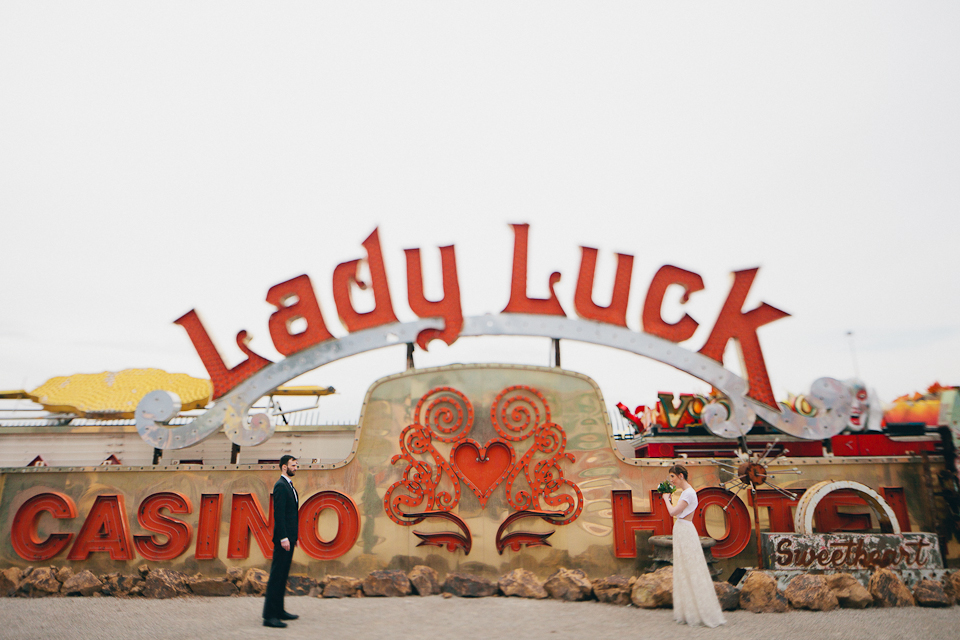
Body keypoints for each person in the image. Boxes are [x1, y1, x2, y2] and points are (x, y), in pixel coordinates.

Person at [661, 464, 726, 628]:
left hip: (685, 529)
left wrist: (665, 499)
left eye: (673, 477)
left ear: (681, 476)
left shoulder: (688, 493)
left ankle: (698, 610)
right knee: (684, 567)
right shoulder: (687, 492)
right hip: (683, 529)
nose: (672, 481)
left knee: (690, 567)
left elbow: (673, 512)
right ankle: (688, 609)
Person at [263, 455, 300, 628]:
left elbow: (292, 515)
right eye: (293, 465)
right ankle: (269, 616)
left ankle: (279, 610)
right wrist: (284, 537)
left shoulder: (290, 486)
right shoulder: (280, 486)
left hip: (290, 538)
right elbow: (279, 514)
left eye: (296, 465)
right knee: (277, 576)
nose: (296, 468)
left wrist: (295, 537)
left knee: (283, 575)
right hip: (282, 540)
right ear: (284, 467)